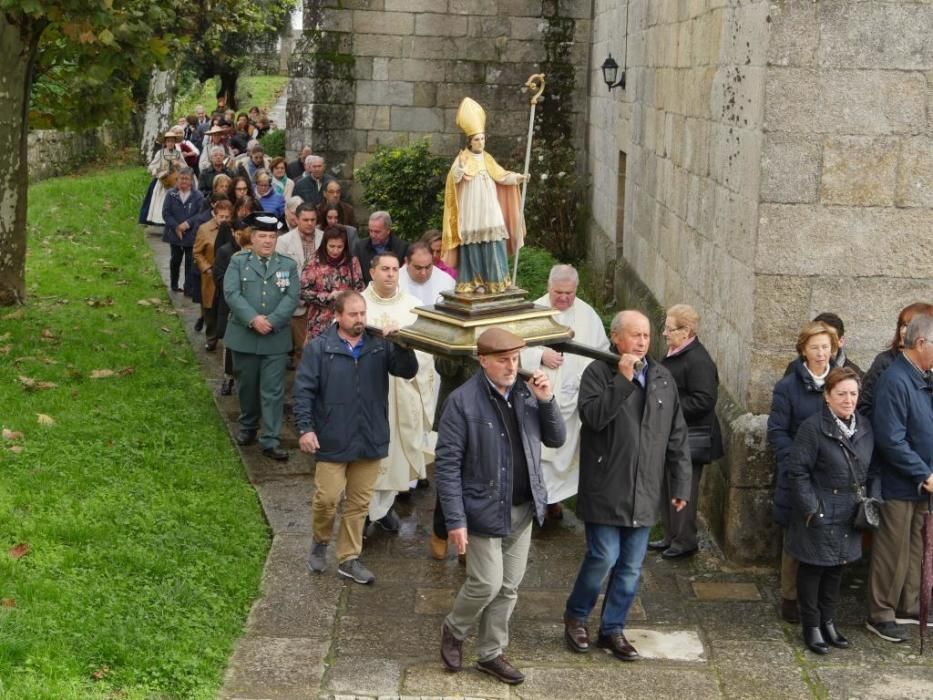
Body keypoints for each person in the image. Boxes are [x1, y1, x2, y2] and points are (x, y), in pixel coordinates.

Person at [437, 328, 565, 685]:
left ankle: (491, 653)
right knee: (485, 583)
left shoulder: (527, 392)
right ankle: (454, 628)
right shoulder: (462, 402)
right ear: (483, 360)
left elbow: (556, 439)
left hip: (523, 508)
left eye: (515, 358)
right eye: (503, 360)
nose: (512, 366)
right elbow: (447, 466)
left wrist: (546, 400)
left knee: (509, 586)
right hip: (482, 509)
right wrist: (455, 520)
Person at [562, 310, 691, 662]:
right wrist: (622, 380)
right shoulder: (597, 373)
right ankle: (576, 615)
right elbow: (592, 418)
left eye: (646, 335)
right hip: (606, 484)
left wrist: (680, 484)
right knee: (604, 557)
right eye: (634, 335)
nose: (642, 342)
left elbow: (676, 435)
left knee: (632, 566)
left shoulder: (663, 377)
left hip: (646, 489)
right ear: (616, 337)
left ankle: (612, 629)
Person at [295, 290, 418, 585]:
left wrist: (400, 344)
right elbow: (304, 391)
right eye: (353, 314)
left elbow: (407, 370)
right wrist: (306, 428)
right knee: (326, 499)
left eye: (362, 313)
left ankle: (349, 558)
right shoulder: (320, 348)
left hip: (370, 437)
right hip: (332, 438)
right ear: (337, 316)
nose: (360, 319)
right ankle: (321, 539)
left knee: (359, 503)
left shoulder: (379, 345)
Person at [785, 367, 874, 655]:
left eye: (853, 393)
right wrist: (811, 509)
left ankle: (829, 622)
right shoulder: (813, 428)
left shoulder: (864, 426)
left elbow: (871, 468)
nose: (848, 400)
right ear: (827, 396)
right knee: (813, 569)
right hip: (821, 509)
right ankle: (811, 626)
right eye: (841, 394)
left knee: (837, 569)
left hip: (849, 511)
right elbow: (797, 471)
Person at [519, 264, 610, 521]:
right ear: (549, 288)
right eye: (559, 292)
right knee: (540, 455)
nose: (564, 298)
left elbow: (600, 352)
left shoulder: (587, 315)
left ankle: (553, 502)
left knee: (564, 454)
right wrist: (540, 354)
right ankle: (536, 503)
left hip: (572, 401)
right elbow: (513, 349)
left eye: (569, 293)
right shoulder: (533, 312)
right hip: (539, 398)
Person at [866, 311, 933, 643]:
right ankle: (881, 613)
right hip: (899, 480)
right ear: (921, 343)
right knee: (892, 549)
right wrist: (923, 472)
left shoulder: (923, 375)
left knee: (918, 546)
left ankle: (911, 604)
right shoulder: (895, 379)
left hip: (922, 482)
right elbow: (890, 438)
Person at [768, 321, 840, 623]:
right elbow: (777, 432)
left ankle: (822, 601)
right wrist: (795, 463)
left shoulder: (840, 383)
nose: (821, 353)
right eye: (815, 347)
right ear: (803, 350)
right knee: (796, 537)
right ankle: (790, 597)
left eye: (826, 347)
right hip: (800, 473)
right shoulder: (788, 387)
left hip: (834, 475)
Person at [362, 253, 436, 531]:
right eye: (384, 269)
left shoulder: (413, 307)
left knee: (396, 451)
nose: (391, 274)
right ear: (373, 272)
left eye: (395, 269)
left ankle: (385, 508)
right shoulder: (358, 304)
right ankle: (366, 511)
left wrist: (403, 342)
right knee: (369, 452)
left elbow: (427, 352)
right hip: (370, 392)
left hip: (403, 393)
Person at [222, 213, 299, 461]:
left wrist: (273, 321)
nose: (268, 241)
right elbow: (232, 293)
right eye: (262, 236)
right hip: (244, 336)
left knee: (273, 390)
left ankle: (271, 439)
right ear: (252, 238)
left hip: (274, 338)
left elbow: (291, 297)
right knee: (247, 387)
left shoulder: (287, 264)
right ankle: (247, 427)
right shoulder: (238, 262)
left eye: (272, 236)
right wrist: (253, 319)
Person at [650, 303, 724, 558]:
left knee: (684, 489)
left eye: (670, 329)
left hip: (691, 439)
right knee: (668, 487)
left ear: (687, 331)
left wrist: (667, 405)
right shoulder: (676, 352)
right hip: (672, 436)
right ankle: (671, 536)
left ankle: (684, 541)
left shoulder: (698, 360)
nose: (664, 333)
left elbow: (705, 400)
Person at [441, 97, 526, 295]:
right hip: (471, 209)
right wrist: (460, 170)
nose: (481, 142)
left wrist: (517, 178)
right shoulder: (462, 158)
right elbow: (454, 178)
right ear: (469, 141)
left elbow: (501, 175)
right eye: (477, 139)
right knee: (472, 241)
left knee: (494, 237)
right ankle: (474, 281)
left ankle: (497, 281)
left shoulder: (487, 158)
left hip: (489, 208)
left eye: (483, 138)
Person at [859, 302, 933, 417]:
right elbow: (864, 406)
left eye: (911, 326)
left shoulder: (928, 365)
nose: (903, 331)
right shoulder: (885, 362)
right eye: (903, 325)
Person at [276, 204, 323, 364]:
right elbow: (280, 274)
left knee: (321, 350)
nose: (310, 223)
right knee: (302, 350)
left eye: (313, 220)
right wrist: (286, 299)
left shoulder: (325, 238)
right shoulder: (283, 241)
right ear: (296, 219)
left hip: (322, 305)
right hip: (298, 305)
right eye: (306, 220)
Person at [300, 226, 364, 341]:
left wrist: (346, 296)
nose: (335, 251)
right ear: (325, 244)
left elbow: (360, 288)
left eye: (340, 247)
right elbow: (303, 291)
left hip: (347, 321)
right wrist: (328, 296)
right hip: (320, 322)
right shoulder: (313, 261)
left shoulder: (352, 261)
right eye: (332, 246)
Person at [213, 224, 252, 396]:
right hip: (232, 309)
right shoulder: (231, 257)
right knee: (230, 347)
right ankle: (228, 377)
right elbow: (222, 281)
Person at [193, 199, 233, 352]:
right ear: (215, 215)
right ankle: (211, 338)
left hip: (227, 274)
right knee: (209, 308)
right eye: (221, 216)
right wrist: (206, 267)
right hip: (210, 276)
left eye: (227, 217)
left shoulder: (233, 230)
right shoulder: (204, 229)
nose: (224, 220)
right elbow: (197, 252)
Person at [161, 167, 205, 296]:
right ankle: (174, 285)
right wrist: (176, 227)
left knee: (190, 261)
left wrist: (186, 224)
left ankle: (188, 288)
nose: (183, 181)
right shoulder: (171, 194)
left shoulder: (198, 196)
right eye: (181, 178)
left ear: (191, 181)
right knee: (175, 259)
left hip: (190, 234)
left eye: (186, 179)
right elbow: (166, 213)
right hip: (174, 234)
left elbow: (200, 214)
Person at [783, 313, 863, 378]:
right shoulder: (795, 368)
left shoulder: (857, 375)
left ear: (841, 341)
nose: (821, 352)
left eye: (830, 340)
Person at [353, 211, 409, 284]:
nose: (372, 235)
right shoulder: (360, 247)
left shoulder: (402, 248)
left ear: (388, 230)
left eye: (377, 232)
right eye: (370, 231)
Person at [139, 130, 182, 226]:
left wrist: (178, 165)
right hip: (163, 182)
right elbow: (151, 166)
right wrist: (156, 172)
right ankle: (160, 221)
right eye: (168, 141)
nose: (170, 143)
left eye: (172, 141)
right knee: (160, 201)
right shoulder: (160, 153)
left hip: (175, 182)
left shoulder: (178, 153)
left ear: (175, 142)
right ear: (165, 142)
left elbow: (185, 168)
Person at [398, 241, 454, 306]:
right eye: (418, 268)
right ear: (407, 262)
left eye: (428, 267)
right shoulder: (394, 280)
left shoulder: (447, 281)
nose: (423, 273)